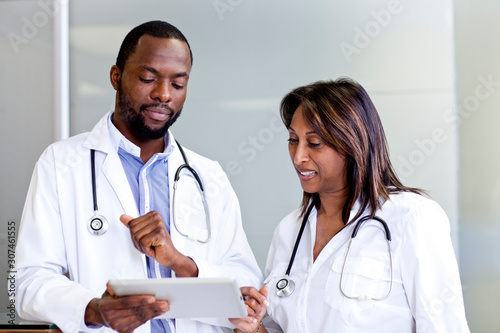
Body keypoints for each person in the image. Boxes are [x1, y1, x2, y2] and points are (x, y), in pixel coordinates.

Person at [15, 20, 262, 333]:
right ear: (116, 77)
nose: (163, 94)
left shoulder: (207, 176)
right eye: (148, 78)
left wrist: (183, 264)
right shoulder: (61, 164)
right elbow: (28, 282)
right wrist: (95, 311)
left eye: (178, 84)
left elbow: (246, 283)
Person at [232, 78, 470, 333]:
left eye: (314, 143)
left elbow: (444, 326)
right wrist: (253, 326)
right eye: (292, 139)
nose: (298, 156)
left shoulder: (412, 217)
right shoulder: (289, 230)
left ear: (352, 144)